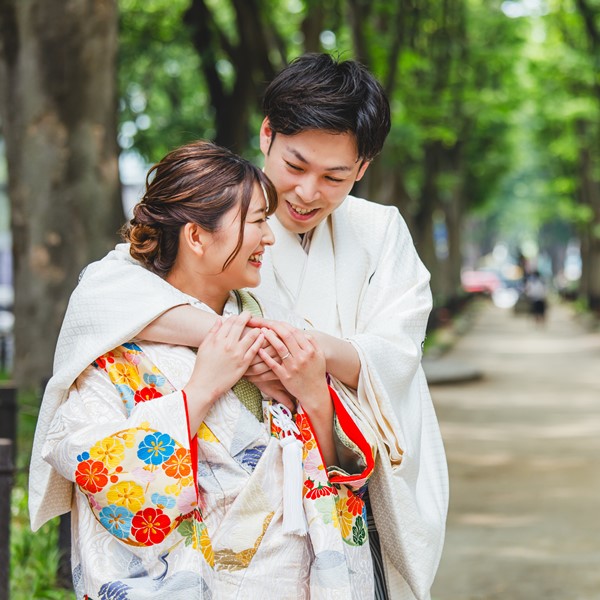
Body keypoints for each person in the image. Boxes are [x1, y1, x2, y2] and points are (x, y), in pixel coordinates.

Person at [30, 53, 448, 600]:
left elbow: (394, 355)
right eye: (295, 167)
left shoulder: (379, 232)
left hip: (321, 505)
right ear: (267, 133)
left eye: (335, 177)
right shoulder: (217, 208)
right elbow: (107, 297)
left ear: (363, 168)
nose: (304, 194)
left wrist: (306, 360)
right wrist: (238, 347)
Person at [34, 141, 378, 599]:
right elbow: (100, 473)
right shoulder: (119, 353)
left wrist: (313, 393)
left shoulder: (275, 324)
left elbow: (334, 474)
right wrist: (200, 390)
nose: (270, 237)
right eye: (257, 221)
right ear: (196, 236)